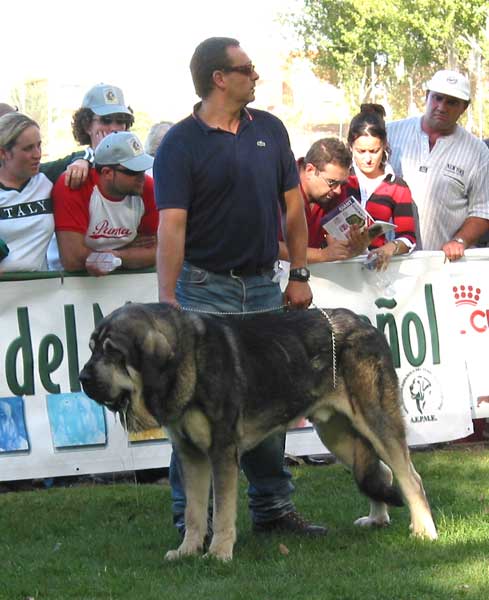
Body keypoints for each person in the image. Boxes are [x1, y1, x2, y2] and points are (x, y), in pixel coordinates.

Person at [154, 36, 325, 537]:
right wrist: (168, 300)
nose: (257, 76)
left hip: (265, 290)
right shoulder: (180, 143)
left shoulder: (270, 129)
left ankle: (272, 509)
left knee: (271, 401)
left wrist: (298, 273)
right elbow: (172, 226)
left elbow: (293, 208)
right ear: (219, 79)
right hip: (204, 291)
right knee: (194, 407)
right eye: (247, 69)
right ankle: (193, 520)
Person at [387, 70, 489, 260]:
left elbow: (483, 210)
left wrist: (460, 240)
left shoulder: (478, 152)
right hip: (386, 262)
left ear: (464, 108)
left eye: (452, 102)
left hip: (442, 265)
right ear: (427, 96)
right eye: (438, 98)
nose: (442, 107)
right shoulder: (390, 133)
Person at [52, 131, 158, 276]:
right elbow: (73, 260)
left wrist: (116, 256)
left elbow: (160, 251)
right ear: (107, 172)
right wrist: (128, 254)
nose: (142, 177)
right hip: (68, 285)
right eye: (133, 172)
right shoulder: (75, 186)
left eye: (143, 170)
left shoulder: (147, 188)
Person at [344, 104, 417, 269]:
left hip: (375, 267)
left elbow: (408, 237)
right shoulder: (340, 180)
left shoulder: (397, 186)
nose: (368, 159)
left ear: (384, 145)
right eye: (361, 151)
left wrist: (391, 247)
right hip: (336, 266)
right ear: (350, 147)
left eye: (374, 150)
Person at [278, 137, 369, 263]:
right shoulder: (277, 184)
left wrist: (355, 247)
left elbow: (335, 242)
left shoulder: (334, 192)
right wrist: (321, 255)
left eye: (342, 184)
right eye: (332, 182)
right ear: (310, 170)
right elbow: (266, 245)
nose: (338, 190)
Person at [0, 112, 55, 271]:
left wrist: (80, 162)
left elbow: (87, 155)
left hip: (38, 290)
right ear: (3, 153)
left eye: (39, 145)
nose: (37, 154)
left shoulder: (47, 177)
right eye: (28, 148)